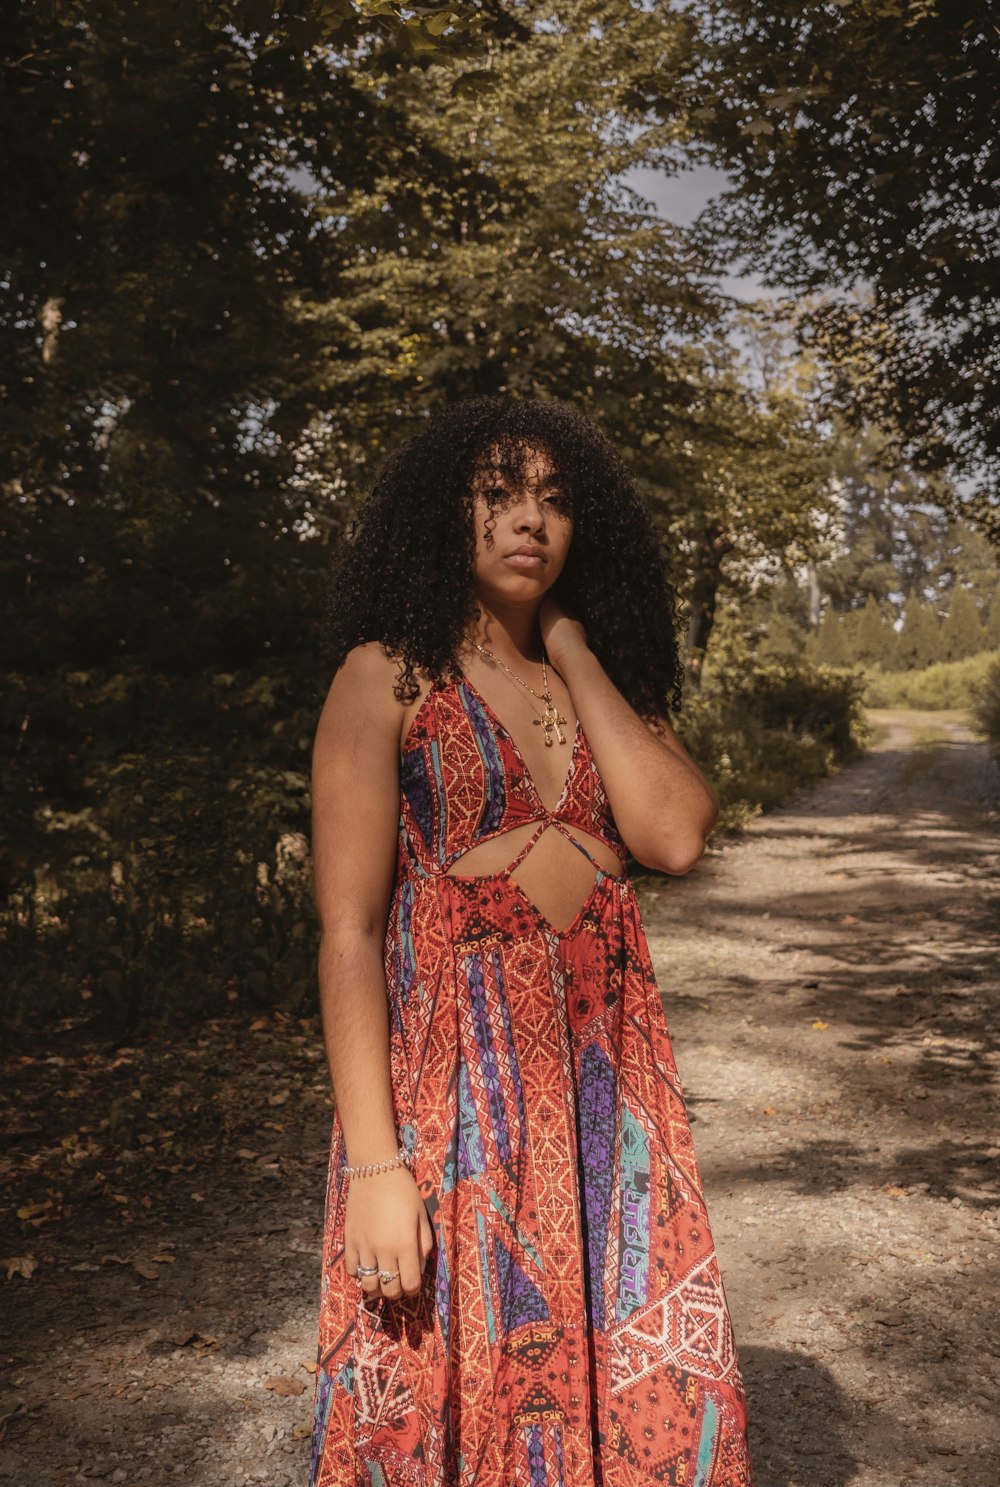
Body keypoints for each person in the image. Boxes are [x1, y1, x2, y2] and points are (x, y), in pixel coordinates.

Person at [307, 395, 754, 1486]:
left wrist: (573, 643)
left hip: (611, 1095)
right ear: (442, 514)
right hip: (453, 1098)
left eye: (555, 500)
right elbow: (349, 931)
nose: (529, 520)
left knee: (635, 1383)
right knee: (439, 1383)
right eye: (498, 494)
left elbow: (675, 833)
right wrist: (376, 1164)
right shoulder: (388, 673)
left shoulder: (594, 683)